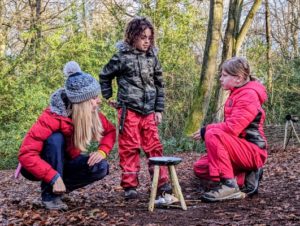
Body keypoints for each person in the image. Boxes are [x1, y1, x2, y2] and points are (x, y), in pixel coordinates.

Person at [17, 61, 116, 210]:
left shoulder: (91, 114)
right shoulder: (52, 116)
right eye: (95, 97)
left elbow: (110, 131)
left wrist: (102, 151)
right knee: (55, 138)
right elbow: (26, 154)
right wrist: (53, 176)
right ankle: (51, 195)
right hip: (37, 165)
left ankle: (58, 189)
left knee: (100, 166)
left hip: (66, 162)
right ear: (83, 102)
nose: (99, 100)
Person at [99, 17, 171, 199]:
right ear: (132, 37)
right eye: (142, 37)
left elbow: (159, 84)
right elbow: (105, 75)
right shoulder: (121, 57)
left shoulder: (152, 57)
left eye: (149, 37)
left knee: (154, 146)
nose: (146, 41)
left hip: (149, 111)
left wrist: (159, 109)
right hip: (128, 109)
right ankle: (130, 186)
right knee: (129, 147)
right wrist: (108, 97)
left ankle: (162, 183)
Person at [192, 57, 268, 202]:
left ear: (238, 78)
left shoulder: (249, 95)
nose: (221, 79)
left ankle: (230, 185)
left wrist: (205, 130)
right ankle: (244, 177)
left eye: (224, 75)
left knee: (212, 133)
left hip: (253, 151)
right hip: (240, 148)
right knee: (200, 167)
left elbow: (233, 128)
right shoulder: (237, 92)